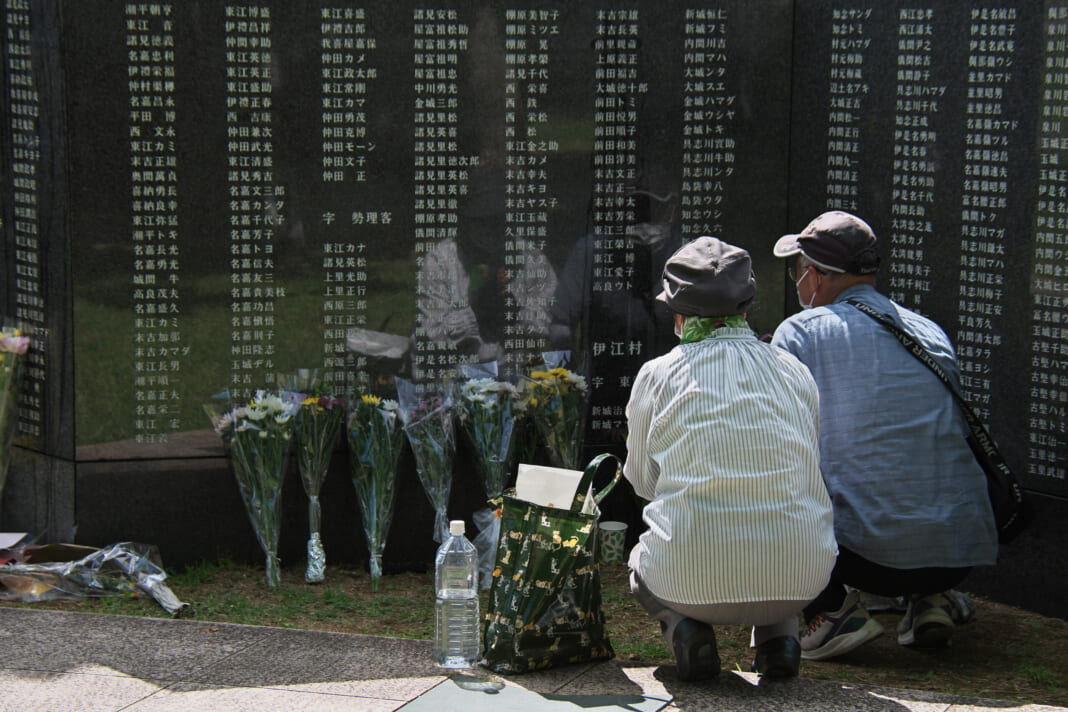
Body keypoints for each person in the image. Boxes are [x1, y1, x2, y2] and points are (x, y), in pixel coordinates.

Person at [770, 210, 997, 660]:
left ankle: (832, 611)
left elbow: (775, 441)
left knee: (772, 469)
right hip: (956, 555)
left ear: (815, 276)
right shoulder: (928, 331)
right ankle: (929, 600)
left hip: (866, 559)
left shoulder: (800, 333)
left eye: (798, 269)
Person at [623, 236, 837, 681]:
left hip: (685, 581)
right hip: (802, 579)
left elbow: (643, 482)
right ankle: (781, 637)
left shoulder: (658, 375)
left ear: (678, 314)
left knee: (638, 564)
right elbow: (807, 468)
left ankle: (686, 629)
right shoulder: (793, 370)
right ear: (745, 307)